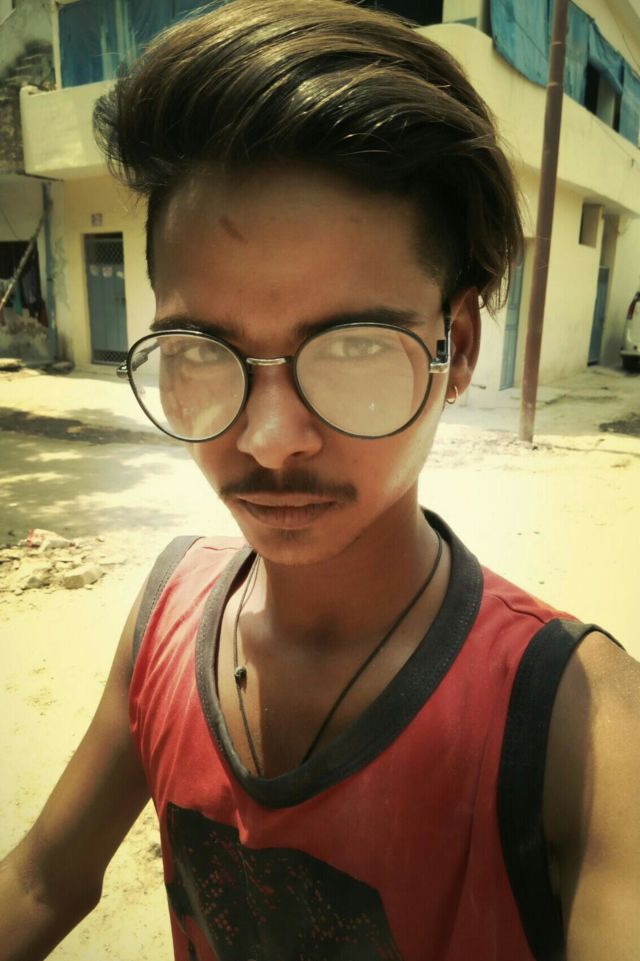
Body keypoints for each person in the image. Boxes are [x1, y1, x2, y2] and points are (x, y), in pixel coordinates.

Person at [1, 1, 638, 958]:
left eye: (352, 346)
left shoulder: (576, 727)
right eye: (202, 348)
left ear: (457, 346)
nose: (268, 440)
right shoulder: (169, 612)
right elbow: (43, 879)